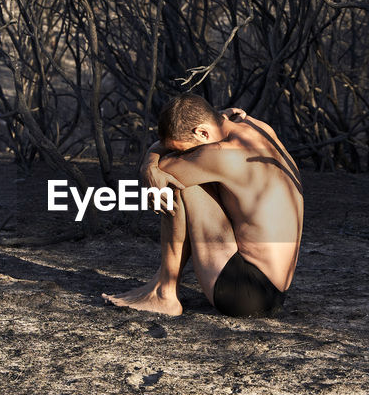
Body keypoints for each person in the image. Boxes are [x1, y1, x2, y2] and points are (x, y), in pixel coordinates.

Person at [103, 94, 303, 317]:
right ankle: (161, 289)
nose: (183, 154)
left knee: (172, 183)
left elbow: (163, 170)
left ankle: (164, 293)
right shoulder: (255, 127)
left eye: (184, 150)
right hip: (275, 290)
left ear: (202, 132)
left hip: (244, 293)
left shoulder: (222, 155)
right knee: (185, 175)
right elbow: (194, 135)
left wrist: (148, 165)